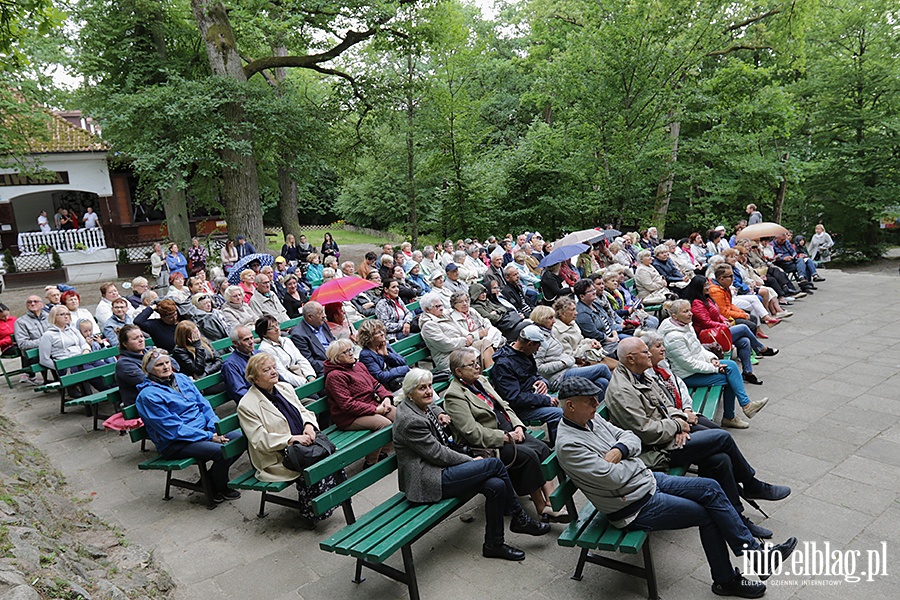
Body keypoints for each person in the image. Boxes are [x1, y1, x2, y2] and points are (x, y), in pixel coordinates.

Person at [555, 376, 798, 598]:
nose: (596, 405)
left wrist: (621, 450)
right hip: (632, 506)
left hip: (646, 482)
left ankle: (756, 556)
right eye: (589, 401)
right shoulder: (569, 444)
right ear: (570, 406)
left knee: (711, 487)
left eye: (596, 400)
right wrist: (630, 460)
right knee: (709, 515)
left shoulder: (591, 418)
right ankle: (727, 579)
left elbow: (630, 437)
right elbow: (611, 477)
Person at [605, 337, 790, 538]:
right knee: (722, 438)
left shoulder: (640, 375)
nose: (650, 354)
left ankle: (738, 518)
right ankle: (752, 485)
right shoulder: (622, 390)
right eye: (645, 352)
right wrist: (677, 425)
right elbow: (645, 431)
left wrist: (679, 420)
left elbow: (666, 404)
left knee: (719, 460)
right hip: (655, 450)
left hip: (669, 436)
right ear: (631, 359)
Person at [394, 368, 549, 561]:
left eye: (429, 387)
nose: (428, 392)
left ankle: (494, 544)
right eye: (421, 388)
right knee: (494, 465)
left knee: (496, 485)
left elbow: (432, 407)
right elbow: (438, 454)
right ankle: (520, 518)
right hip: (427, 479)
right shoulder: (410, 421)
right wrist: (471, 461)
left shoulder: (416, 405)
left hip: (440, 468)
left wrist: (441, 412)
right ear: (409, 392)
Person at [444, 348, 566, 522]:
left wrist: (518, 426)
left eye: (477, 362)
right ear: (458, 371)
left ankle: (553, 502)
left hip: (510, 429)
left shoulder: (481, 381)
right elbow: (472, 432)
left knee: (542, 449)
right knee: (528, 456)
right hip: (490, 443)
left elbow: (505, 406)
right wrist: (506, 437)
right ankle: (541, 508)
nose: (477, 366)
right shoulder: (454, 395)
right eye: (472, 364)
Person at [238, 353, 337, 528]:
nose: (273, 372)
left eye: (273, 367)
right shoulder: (247, 405)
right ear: (254, 378)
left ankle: (334, 500)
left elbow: (303, 411)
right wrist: (291, 439)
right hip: (278, 456)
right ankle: (312, 511)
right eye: (266, 370)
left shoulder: (284, 388)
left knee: (330, 456)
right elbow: (260, 439)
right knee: (311, 465)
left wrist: (308, 426)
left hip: (304, 441)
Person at [136, 348, 243, 502]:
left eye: (167, 362)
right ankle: (220, 486)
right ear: (148, 369)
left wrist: (214, 427)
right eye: (159, 365)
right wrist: (209, 436)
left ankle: (209, 482)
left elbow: (204, 405)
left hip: (204, 431)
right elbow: (173, 429)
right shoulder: (148, 396)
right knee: (222, 451)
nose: (166, 367)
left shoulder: (181, 378)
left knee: (239, 439)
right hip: (176, 442)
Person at [657, 300, 767, 429]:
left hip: (696, 368)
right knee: (730, 378)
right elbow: (688, 364)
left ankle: (744, 407)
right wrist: (714, 368)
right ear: (674, 316)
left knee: (731, 366)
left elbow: (698, 349)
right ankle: (733, 415)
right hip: (686, 375)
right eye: (685, 311)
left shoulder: (684, 325)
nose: (690, 314)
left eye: (690, 310)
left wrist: (712, 359)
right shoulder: (674, 336)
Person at [684, 276, 777, 384]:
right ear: (698, 287)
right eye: (705, 285)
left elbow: (718, 314)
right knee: (744, 328)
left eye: (708, 284)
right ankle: (760, 348)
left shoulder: (707, 298)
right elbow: (706, 323)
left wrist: (724, 321)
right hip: (710, 335)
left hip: (719, 330)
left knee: (744, 341)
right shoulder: (697, 303)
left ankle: (748, 372)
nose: (708, 286)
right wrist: (722, 325)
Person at [323, 339, 394, 468]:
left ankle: (383, 452)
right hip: (349, 417)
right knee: (385, 425)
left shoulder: (358, 365)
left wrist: (386, 398)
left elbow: (376, 384)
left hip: (371, 405)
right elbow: (347, 405)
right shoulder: (334, 376)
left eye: (351, 349)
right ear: (336, 358)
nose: (351, 353)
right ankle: (370, 462)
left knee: (400, 416)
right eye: (346, 352)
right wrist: (375, 409)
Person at [490, 325, 564, 444]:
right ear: (530, 344)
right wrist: (544, 400)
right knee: (558, 413)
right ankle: (559, 449)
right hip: (518, 409)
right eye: (538, 345)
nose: (538, 349)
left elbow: (535, 374)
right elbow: (514, 398)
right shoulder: (503, 364)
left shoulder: (525, 354)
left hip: (530, 398)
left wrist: (542, 382)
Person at [529, 305, 612, 394]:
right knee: (602, 368)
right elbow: (539, 368)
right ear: (541, 319)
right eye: (550, 318)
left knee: (602, 382)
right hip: (558, 377)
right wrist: (563, 363)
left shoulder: (549, 333)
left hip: (569, 368)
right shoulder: (539, 339)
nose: (554, 321)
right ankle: (622, 393)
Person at [256, 315, 316, 388]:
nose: (277, 329)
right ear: (263, 333)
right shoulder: (265, 349)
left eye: (277, 325)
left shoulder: (286, 340)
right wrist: (305, 382)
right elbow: (282, 373)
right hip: (289, 384)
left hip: (302, 375)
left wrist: (310, 376)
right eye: (272, 328)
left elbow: (301, 359)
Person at [357, 319, 410, 392]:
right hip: (386, 389)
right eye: (378, 332)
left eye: (382, 330)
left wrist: (387, 355)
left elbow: (403, 361)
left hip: (400, 380)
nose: (382, 333)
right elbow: (381, 376)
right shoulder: (366, 354)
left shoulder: (385, 345)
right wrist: (403, 369)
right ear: (369, 337)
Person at [172, 320, 223, 390]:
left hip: (215, 375)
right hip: (203, 384)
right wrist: (198, 347)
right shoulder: (179, 351)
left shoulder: (204, 341)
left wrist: (207, 371)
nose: (198, 335)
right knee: (231, 383)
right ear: (187, 338)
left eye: (197, 331)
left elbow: (219, 360)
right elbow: (198, 370)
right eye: (194, 333)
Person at [289, 301, 335, 377]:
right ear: (310, 317)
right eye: (320, 313)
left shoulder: (322, 323)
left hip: (337, 360)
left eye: (323, 312)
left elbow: (333, 341)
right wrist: (333, 364)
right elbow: (309, 362)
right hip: (326, 369)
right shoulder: (298, 335)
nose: (324, 315)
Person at [14, 296, 48, 384]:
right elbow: (23, 344)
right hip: (34, 355)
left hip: (52, 351)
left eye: (35, 301)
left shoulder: (49, 317)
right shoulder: (21, 322)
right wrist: (44, 341)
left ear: (42, 305)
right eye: (29, 302)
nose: (32, 304)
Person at [222, 326, 256, 403]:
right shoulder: (230, 365)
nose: (251, 342)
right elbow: (240, 393)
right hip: (254, 403)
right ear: (235, 343)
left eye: (251, 338)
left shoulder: (259, 354)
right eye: (246, 339)